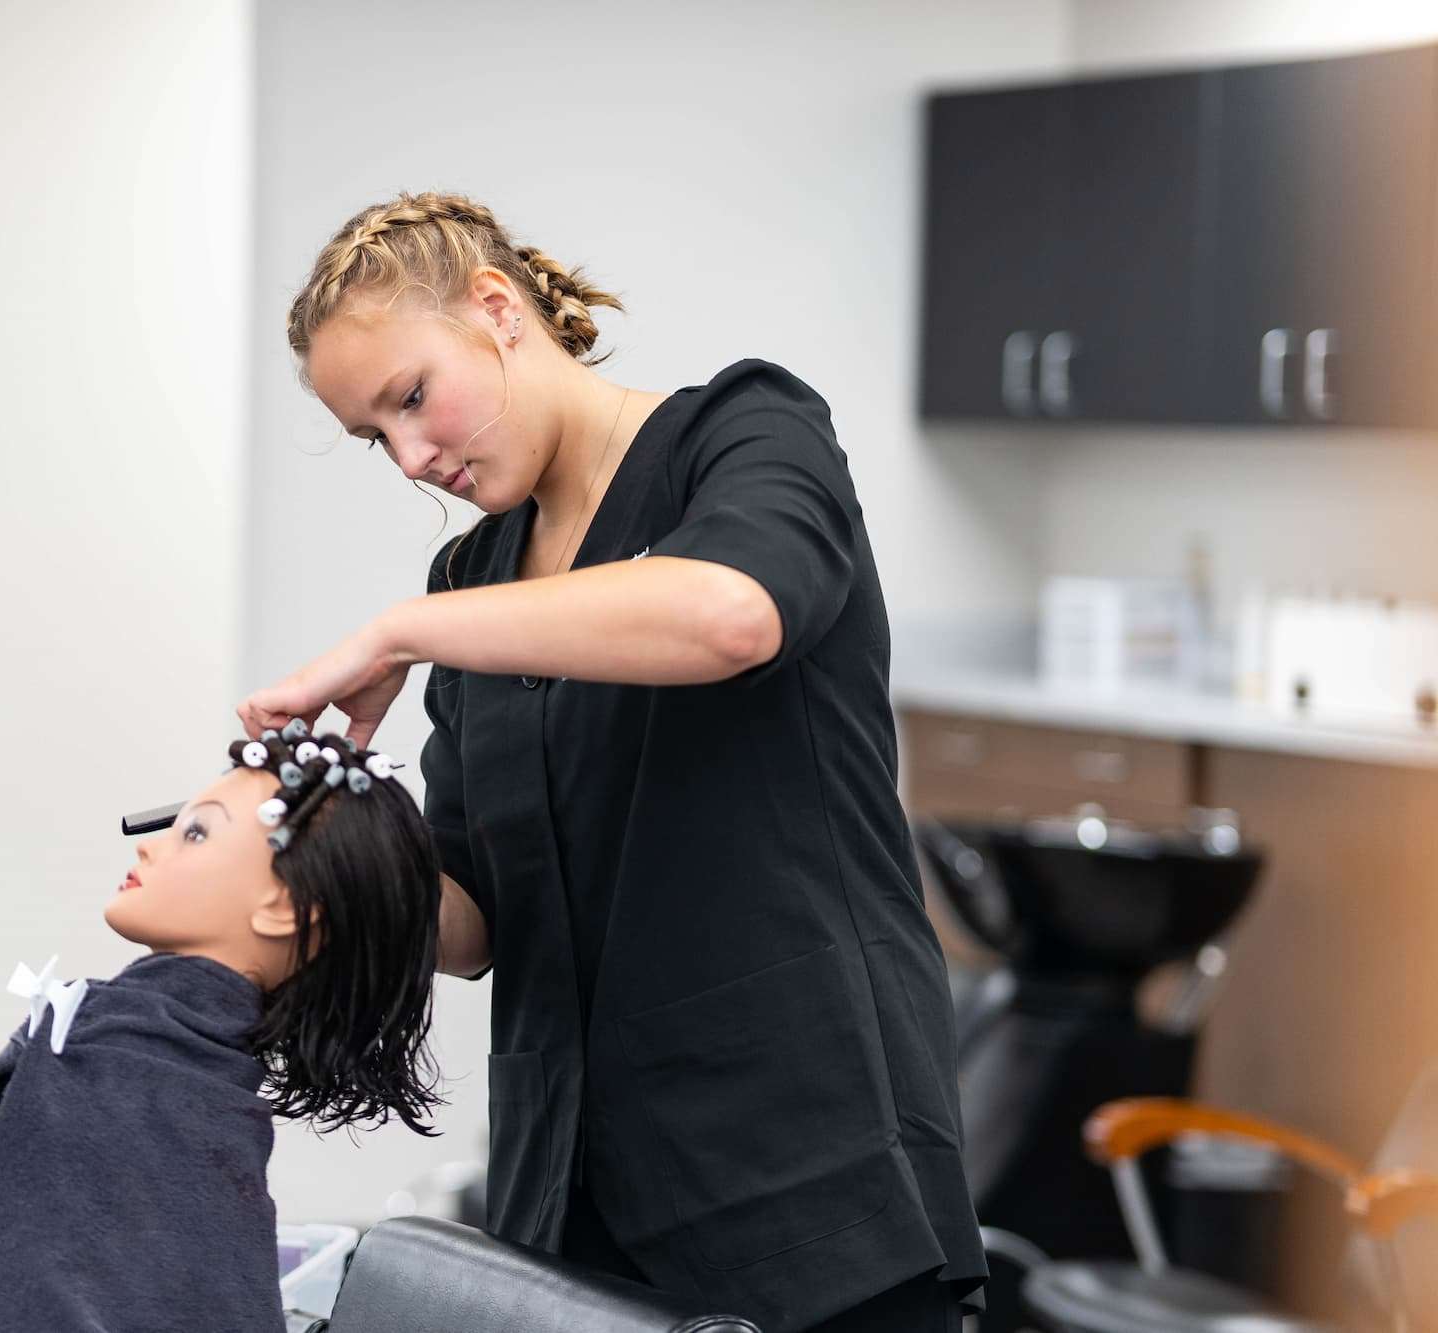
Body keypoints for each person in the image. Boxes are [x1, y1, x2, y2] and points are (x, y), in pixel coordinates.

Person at [239, 191, 987, 1331]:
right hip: (574, 1193)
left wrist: (399, 631)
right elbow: (478, 920)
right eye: (372, 437)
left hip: (804, 1170)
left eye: (410, 399)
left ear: (496, 310)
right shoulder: (474, 579)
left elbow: (732, 614)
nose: (408, 457)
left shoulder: (740, 432)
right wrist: (313, 859)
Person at [0, 723, 442, 1332]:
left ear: (282, 907)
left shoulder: (110, 1065)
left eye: (196, 832)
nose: (150, 846)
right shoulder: (183, 1078)